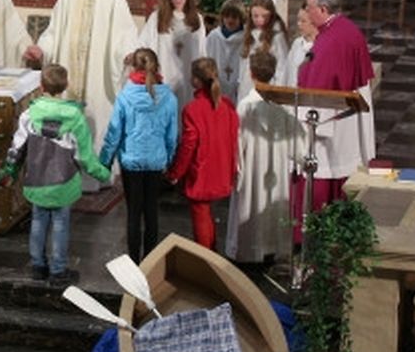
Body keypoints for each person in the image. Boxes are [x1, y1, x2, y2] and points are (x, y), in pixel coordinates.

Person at [24, 0, 137, 190]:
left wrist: (127, 52)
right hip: (69, 74)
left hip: (97, 76)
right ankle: (62, 175)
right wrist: (42, 49)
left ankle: (94, 178)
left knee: (94, 119)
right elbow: (53, 32)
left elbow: (124, 34)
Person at [0, 65, 110, 283]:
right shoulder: (75, 117)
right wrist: (103, 174)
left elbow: (16, 148)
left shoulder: (29, 115)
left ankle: (37, 266)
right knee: (60, 224)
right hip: (63, 182)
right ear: (65, 86)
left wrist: (8, 171)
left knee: (38, 221)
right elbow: (84, 157)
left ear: (41, 86)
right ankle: (58, 270)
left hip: (37, 180)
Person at [296, 0, 376, 226]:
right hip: (350, 114)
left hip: (335, 124)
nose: (307, 14)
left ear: (322, 8)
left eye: (309, 8)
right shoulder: (347, 29)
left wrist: (304, 122)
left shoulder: (328, 44)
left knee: (327, 174)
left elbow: (318, 95)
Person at [100, 48, 180, 263]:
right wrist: (169, 159)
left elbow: (114, 131)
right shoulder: (169, 98)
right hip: (156, 161)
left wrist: (105, 160)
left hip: (131, 161)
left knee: (134, 213)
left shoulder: (126, 96)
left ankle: (134, 261)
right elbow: (172, 135)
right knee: (152, 212)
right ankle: (150, 261)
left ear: (134, 68)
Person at [227, 51, 303, 263]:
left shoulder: (245, 105)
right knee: (271, 208)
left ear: (250, 73)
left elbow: (238, 142)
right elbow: (293, 141)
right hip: (276, 169)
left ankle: (249, 254)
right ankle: (272, 251)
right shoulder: (280, 105)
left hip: (252, 169)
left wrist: (236, 172)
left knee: (252, 206)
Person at [166, 58, 240, 251]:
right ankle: (212, 251)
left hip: (202, 170)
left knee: (201, 215)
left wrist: (175, 173)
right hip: (223, 167)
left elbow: (188, 146)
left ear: (196, 80)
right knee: (207, 215)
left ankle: (206, 258)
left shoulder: (192, 109)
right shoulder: (228, 106)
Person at [138, 0, 206, 108]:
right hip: (163, 78)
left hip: (187, 80)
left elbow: (201, 53)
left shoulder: (196, 20)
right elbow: (143, 46)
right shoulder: (157, 17)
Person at [239, 0, 290, 96]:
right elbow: (243, 64)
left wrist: (275, 92)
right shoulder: (247, 33)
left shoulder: (277, 36)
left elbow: (282, 69)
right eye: (256, 16)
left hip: (267, 91)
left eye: (264, 16)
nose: (260, 20)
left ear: (271, 15)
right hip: (246, 89)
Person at [206, 0, 246, 104]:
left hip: (239, 88)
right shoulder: (213, 37)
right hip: (218, 86)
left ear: (241, 18)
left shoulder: (247, 38)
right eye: (227, 16)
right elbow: (207, 60)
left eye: (234, 17)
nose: (230, 20)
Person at [287, 7, 317, 86]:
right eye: (298, 20)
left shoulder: (321, 46)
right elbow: (287, 71)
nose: (298, 24)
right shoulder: (297, 43)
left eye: (303, 21)